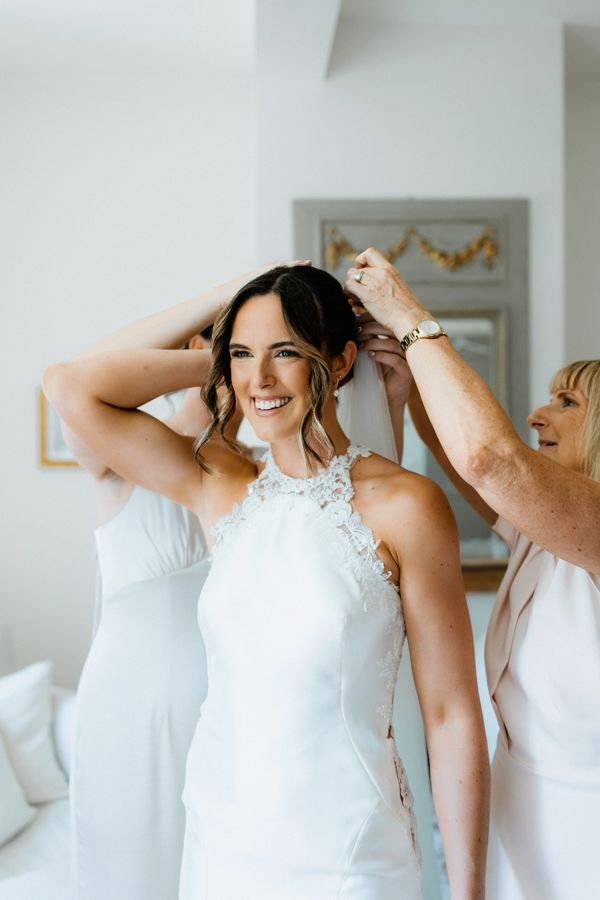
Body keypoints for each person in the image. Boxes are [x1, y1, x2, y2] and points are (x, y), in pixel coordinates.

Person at [44, 264, 489, 900]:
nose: (262, 379)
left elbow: (450, 716)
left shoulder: (406, 506)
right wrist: (228, 336)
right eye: (245, 354)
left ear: (339, 362)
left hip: (348, 851)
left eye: (287, 353)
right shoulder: (220, 486)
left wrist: (468, 892)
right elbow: (70, 387)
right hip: (223, 843)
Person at [345, 247, 600, 900]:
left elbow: (491, 458)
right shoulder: (544, 538)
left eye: (566, 402)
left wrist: (411, 318)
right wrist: (404, 383)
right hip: (517, 818)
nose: (538, 415)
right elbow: (466, 462)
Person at [51, 269, 265, 900]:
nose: (247, 365)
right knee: (131, 863)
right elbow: (73, 375)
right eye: (235, 348)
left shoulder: (265, 471)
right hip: (132, 699)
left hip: (235, 702)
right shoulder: (117, 454)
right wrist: (231, 294)